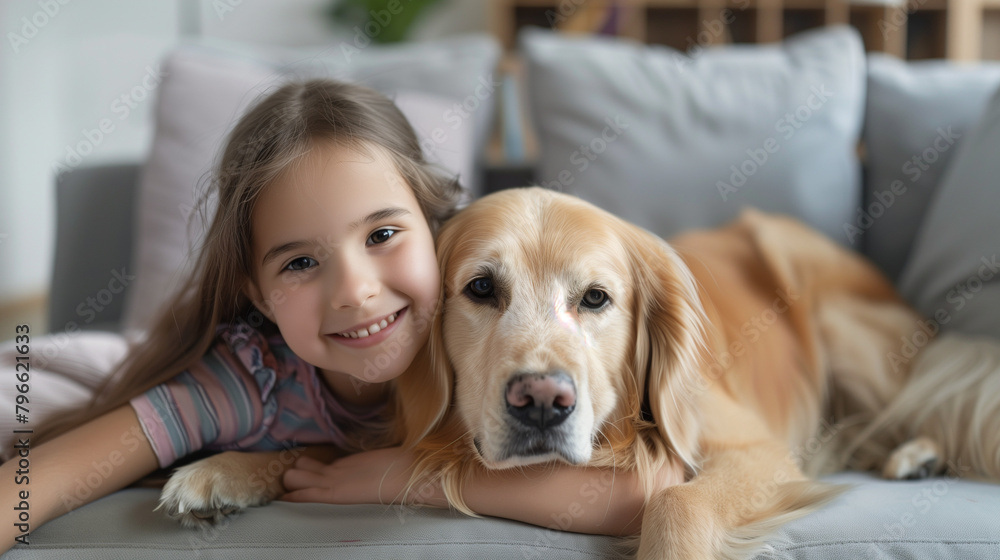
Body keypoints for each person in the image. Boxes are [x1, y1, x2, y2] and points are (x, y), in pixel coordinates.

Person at [0, 80, 679, 555]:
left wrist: (408, 479)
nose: (355, 292)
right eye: (300, 262)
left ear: (438, 230)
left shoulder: (477, 330)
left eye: (382, 235)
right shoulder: (240, 383)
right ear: (260, 292)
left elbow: (640, 490)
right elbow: (40, 483)